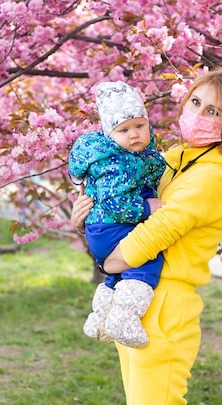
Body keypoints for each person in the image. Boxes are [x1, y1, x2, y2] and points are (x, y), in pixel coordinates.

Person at [71, 67, 222, 405]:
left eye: (213, 111)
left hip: (164, 303)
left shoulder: (213, 176)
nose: (199, 114)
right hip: (138, 293)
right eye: (196, 101)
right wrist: (88, 212)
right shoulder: (177, 159)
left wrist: (107, 263)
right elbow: (125, 200)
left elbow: (157, 230)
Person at [69, 81, 167, 349]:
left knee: (118, 275)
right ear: (110, 133)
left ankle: (100, 317)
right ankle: (124, 317)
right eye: (123, 130)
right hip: (113, 226)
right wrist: (148, 207)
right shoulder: (116, 162)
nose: (134, 134)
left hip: (101, 231)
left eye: (139, 126)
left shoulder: (128, 155)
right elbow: (116, 202)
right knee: (145, 264)